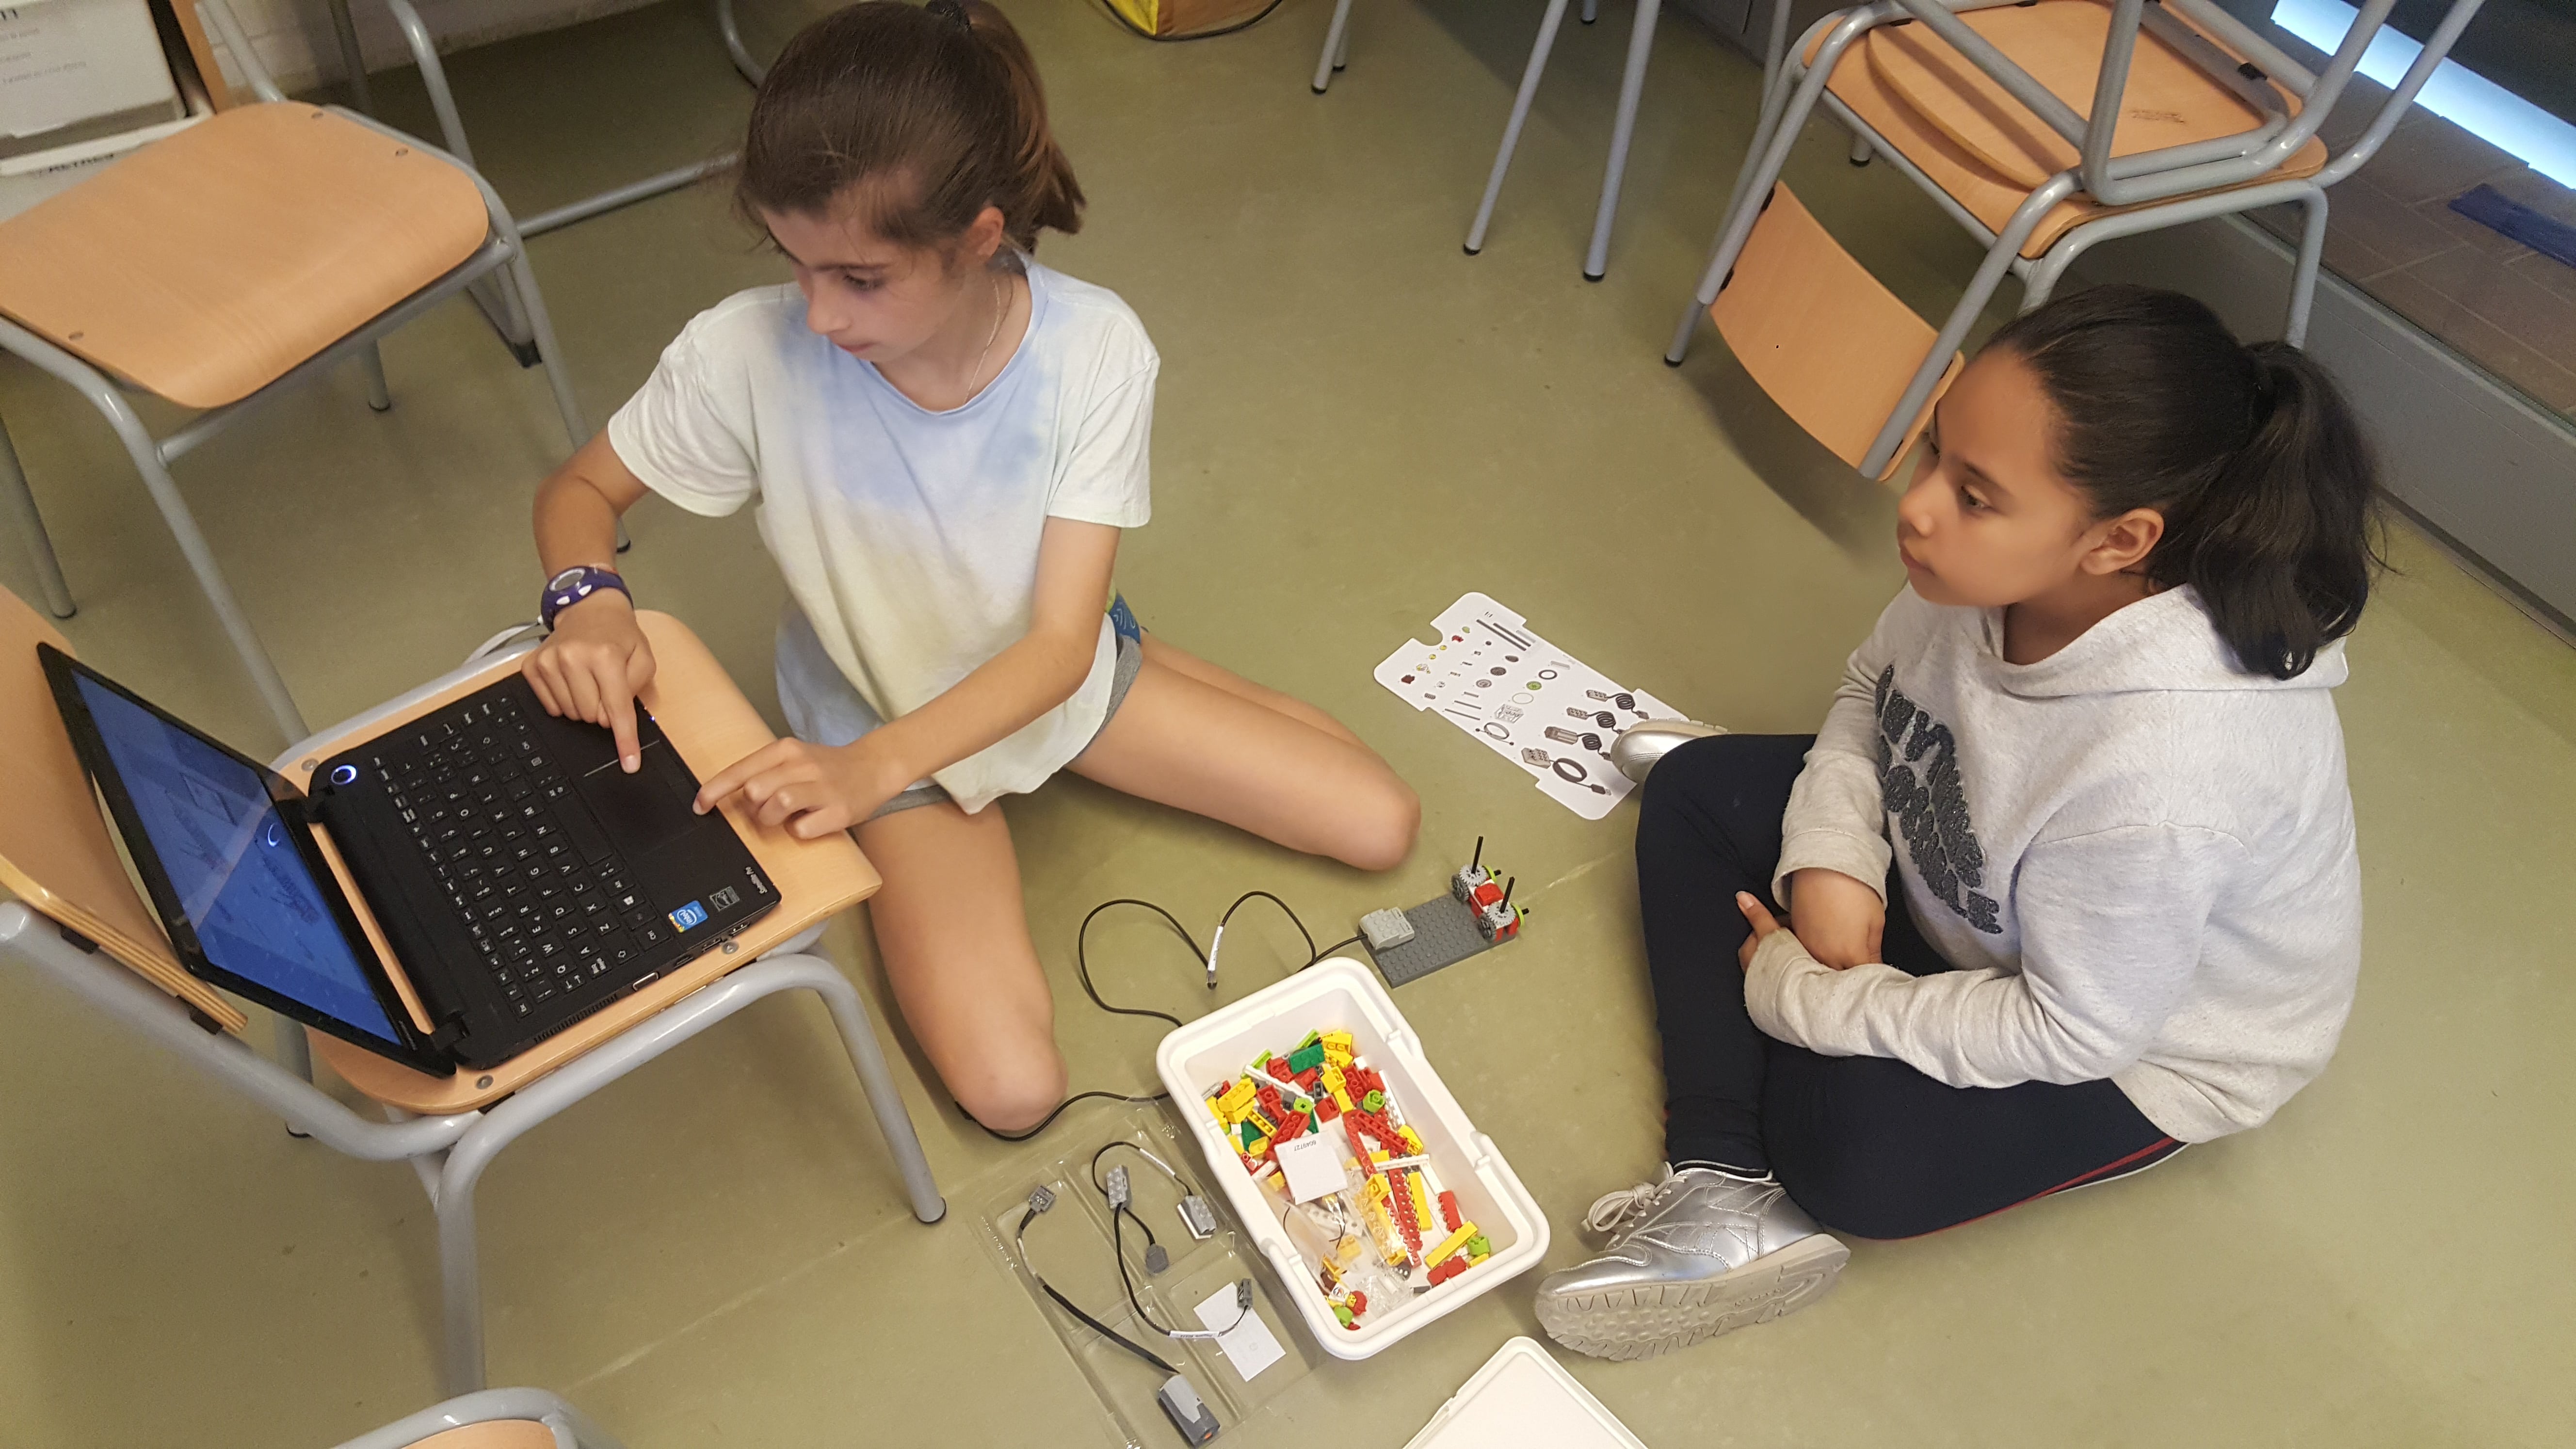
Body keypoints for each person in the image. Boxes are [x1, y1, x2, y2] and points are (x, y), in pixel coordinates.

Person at [518, 0, 1417, 1133]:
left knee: (1382, 825)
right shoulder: (746, 350)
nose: (818, 313)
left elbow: (1054, 650)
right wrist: (587, 604)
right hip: (876, 712)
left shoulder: (1093, 350)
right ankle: (1124, 654)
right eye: (796, 263)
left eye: (860, 278)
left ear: (981, 236)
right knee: (1012, 1092)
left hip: (1045, 672)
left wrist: (882, 765)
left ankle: (1132, 652)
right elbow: (578, 491)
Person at [1537, 285, 2378, 1361]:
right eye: (1936, 453)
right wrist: (1833, 855)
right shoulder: (1986, 573)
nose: (1919, 507)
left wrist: (1811, 999)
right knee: (1700, 787)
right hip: (1979, 885)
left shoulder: (2168, 783)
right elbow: (1870, 691)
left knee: (1856, 1166)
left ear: (2118, 541)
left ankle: (1759, 1155)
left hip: (2133, 1038)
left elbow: (2076, 1030)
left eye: (1975, 495)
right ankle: (1723, 1181)